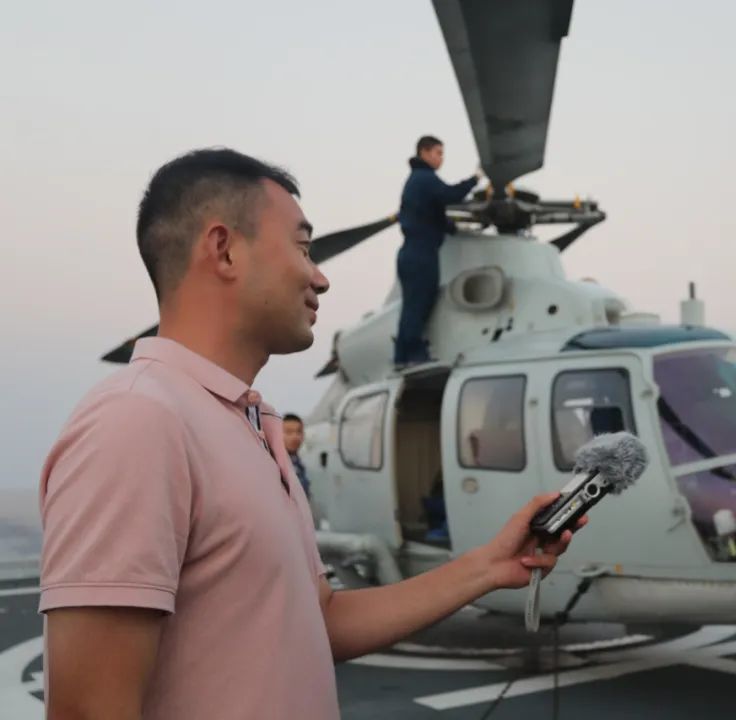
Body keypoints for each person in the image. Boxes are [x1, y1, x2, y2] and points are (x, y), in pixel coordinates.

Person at [37, 148, 581, 720]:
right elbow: (87, 711)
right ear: (223, 249)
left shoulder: (250, 425)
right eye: (302, 247)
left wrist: (488, 566)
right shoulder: (138, 421)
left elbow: (318, 620)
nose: (319, 275)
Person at [394, 135, 482, 368]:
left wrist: (456, 229)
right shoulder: (425, 179)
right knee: (418, 304)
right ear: (424, 152)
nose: (441, 158)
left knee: (413, 305)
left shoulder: (418, 181)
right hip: (421, 254)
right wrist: (475, 179)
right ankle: (413, 354)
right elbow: (450, 195)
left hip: (413, 253)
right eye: (438, 153)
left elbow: (434, 217)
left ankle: (402, 356)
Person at [283, 412, 310, 498]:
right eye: (288, 432)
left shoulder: (297, 462)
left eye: (299, 431)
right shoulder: (276, 465)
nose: (295, 436)